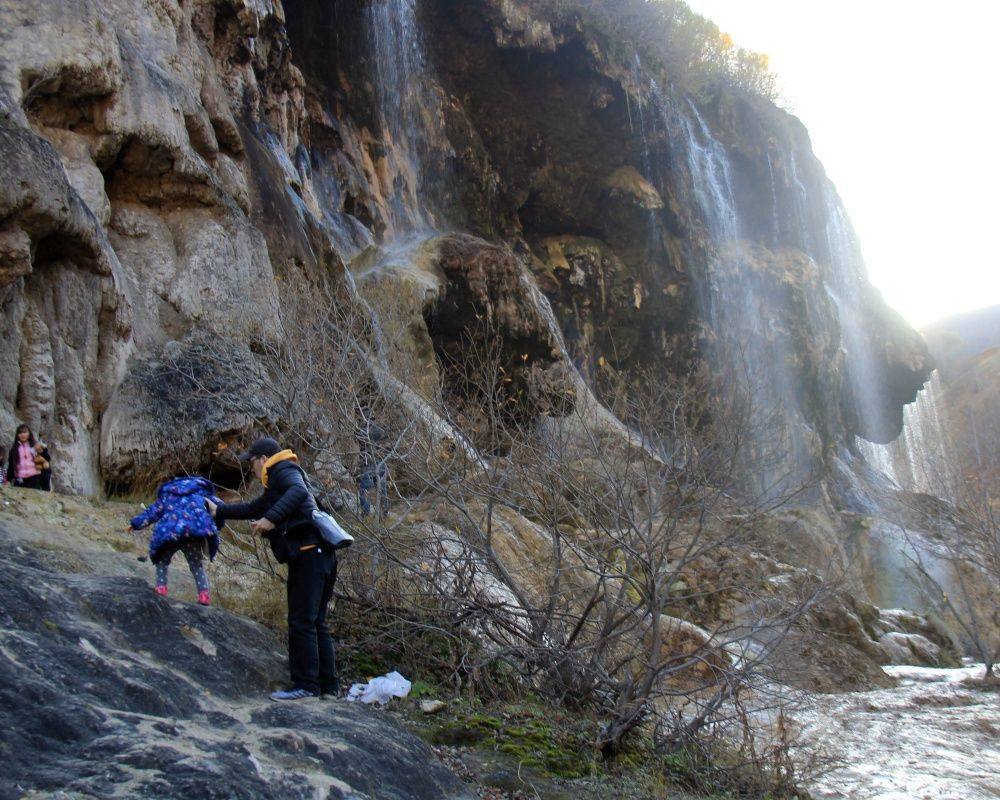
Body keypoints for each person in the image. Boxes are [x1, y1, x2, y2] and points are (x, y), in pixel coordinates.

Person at [206, 437, 339, 701]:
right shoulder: (279, 481)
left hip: (308, 556)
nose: (251, 469)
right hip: (322, 556)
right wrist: (220, 511)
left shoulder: (284, 471)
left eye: (252, 462)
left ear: (264, 459)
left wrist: (270, 519)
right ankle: (329, 688)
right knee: (316, 622)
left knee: (301, 622)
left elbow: (298, 494)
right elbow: (254, 508)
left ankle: (307, 687)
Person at [128, 476, 221, 605]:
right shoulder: (202, 494)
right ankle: (204, 595)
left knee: (162, 561)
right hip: (192, 534)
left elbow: (153, 512)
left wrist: (136, 524)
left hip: (170, 533)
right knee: (196, 565)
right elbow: (219, 508)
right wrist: (218, 525)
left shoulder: (168, 495)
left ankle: (161, 588)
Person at [355, 413, 389, 517]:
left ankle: (365, 512)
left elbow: (357, 437)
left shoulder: (361, 430)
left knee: (364, 488)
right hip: (380, 462)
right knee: (382, 489)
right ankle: (384, 511)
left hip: (368, 463)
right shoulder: (380, 430)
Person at [6, 424, 43, 490]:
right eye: (20, 433)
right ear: (17, 435)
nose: (23, 435)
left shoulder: (35, 446)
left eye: (25, 432)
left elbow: (43, 462)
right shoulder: (14, 448)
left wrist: (45, 481)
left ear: (29, 434)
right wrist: (8, 479)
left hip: (34, 476)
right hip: (20, 477)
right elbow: (11, 464)